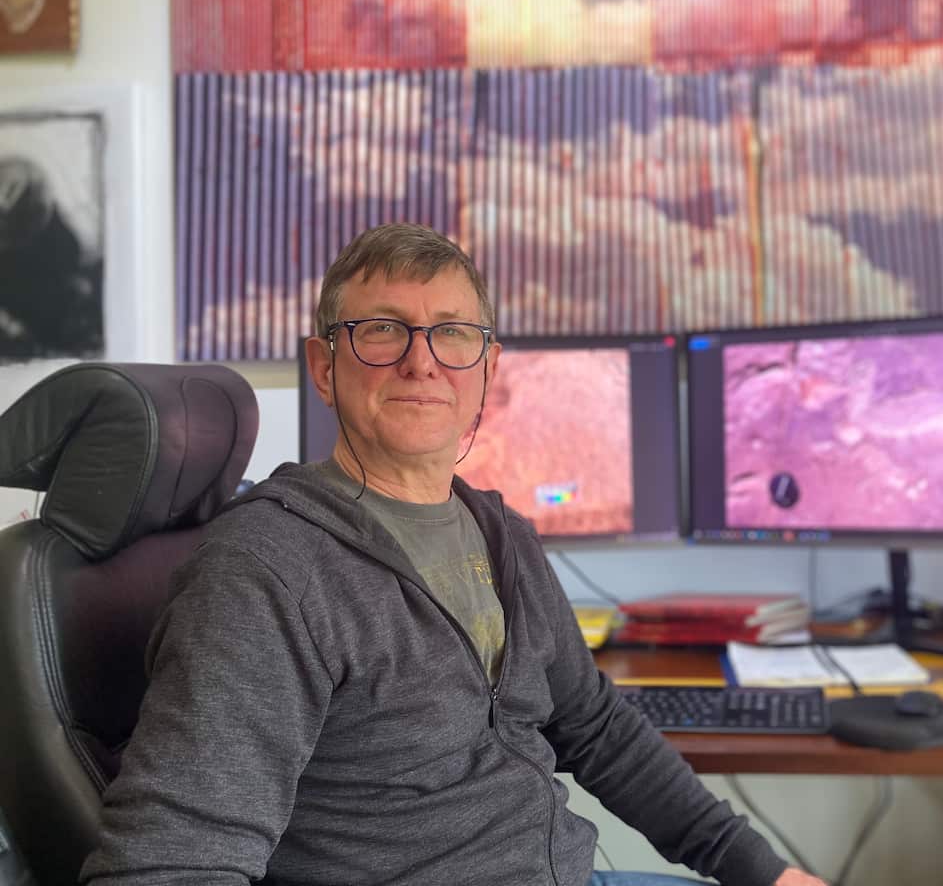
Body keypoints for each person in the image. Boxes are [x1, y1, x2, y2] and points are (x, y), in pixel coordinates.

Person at [82, 223, 828, 886]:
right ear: (324, 367)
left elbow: (597, 729)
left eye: (453, 333)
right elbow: (172, 858)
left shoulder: (502, 535)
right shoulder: (266, 571)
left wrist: (762, 870)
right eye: (383, 330)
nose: (422, 361)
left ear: (487, 371)